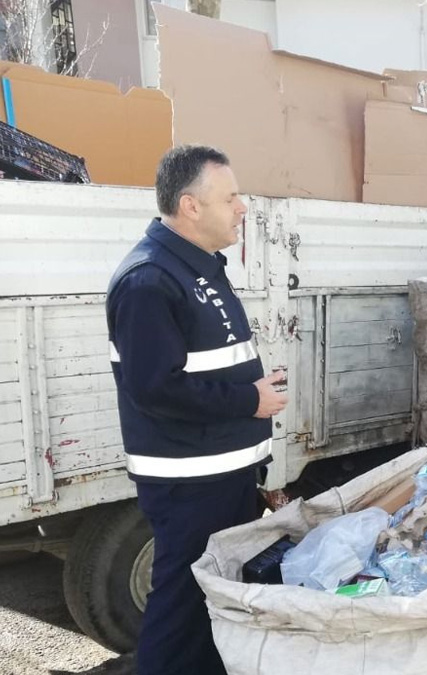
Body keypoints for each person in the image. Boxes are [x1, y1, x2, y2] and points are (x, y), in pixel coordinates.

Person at [107, 145, 288, 675]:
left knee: (215, 603)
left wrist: (251, 384)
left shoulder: (200, 267)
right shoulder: (149, 281)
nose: (242, 208)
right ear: (190, 206)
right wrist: (250, 398)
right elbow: (154, 389)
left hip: (224, 473)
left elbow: (204, 363)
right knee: (183, 607)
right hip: (190, 483)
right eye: (230, 197)